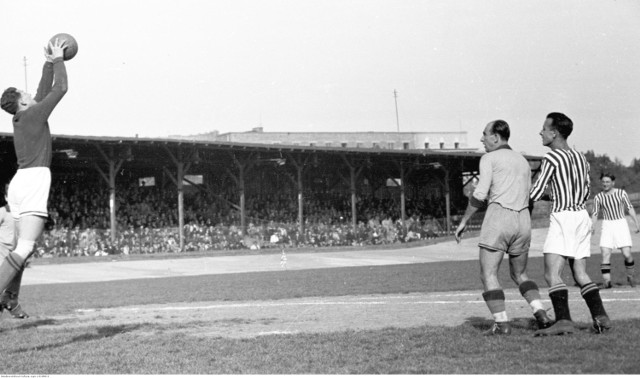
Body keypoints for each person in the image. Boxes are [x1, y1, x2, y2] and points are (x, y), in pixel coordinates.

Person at [455, 120, 551, 336]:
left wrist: (463, 221)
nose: (482, 139)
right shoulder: (523, 160)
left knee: (488, 273)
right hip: (523, 219)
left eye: (484, 135)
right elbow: (530, 195)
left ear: (495, 137)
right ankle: (541, 313)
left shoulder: (489, 158)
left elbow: (480, 194)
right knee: (520, 274)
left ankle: (502, 323)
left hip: (499, 216)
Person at [530, 112, 611, 336]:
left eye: (544, 128)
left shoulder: (551, 158)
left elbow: (535, 192)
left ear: (554, 133)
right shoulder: (581, 157)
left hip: (564, 217)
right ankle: (600, 316)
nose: (541, 132)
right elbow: (584, 191)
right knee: (580, 272)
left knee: (551, 273)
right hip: (581, 215)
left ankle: (564, 321)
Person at [0, 38, 68, 296]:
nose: (30, 94)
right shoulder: (32, 114)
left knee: (20, 248)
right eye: (25, 94)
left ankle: (10, 298)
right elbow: (60, 88)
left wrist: (48, 63)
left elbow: (40, 93)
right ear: (22, 102)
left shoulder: (24, 115)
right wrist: (60, 60)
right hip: (33, 182)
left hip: (19, 184)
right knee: (25, 248)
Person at [591, 173, 640, 288]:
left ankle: (630, 275)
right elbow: (594, 213)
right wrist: (592, 226)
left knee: (627, 254)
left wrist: (637, 223)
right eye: (603, 182)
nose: (605, 184)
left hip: (620, 224)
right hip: (607, 225)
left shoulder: (621, 193)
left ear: (613, 182)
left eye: (608, 182)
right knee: (605, 253)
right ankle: (607, 281)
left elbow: (629, 208)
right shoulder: (598, 197)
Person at [0, 183, 29, 318]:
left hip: (16, 254)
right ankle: (11, 304)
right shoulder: (2, 212)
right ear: (6, 197)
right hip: (2, 255)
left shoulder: (23, 215)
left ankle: (12, 302)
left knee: (14, 282)